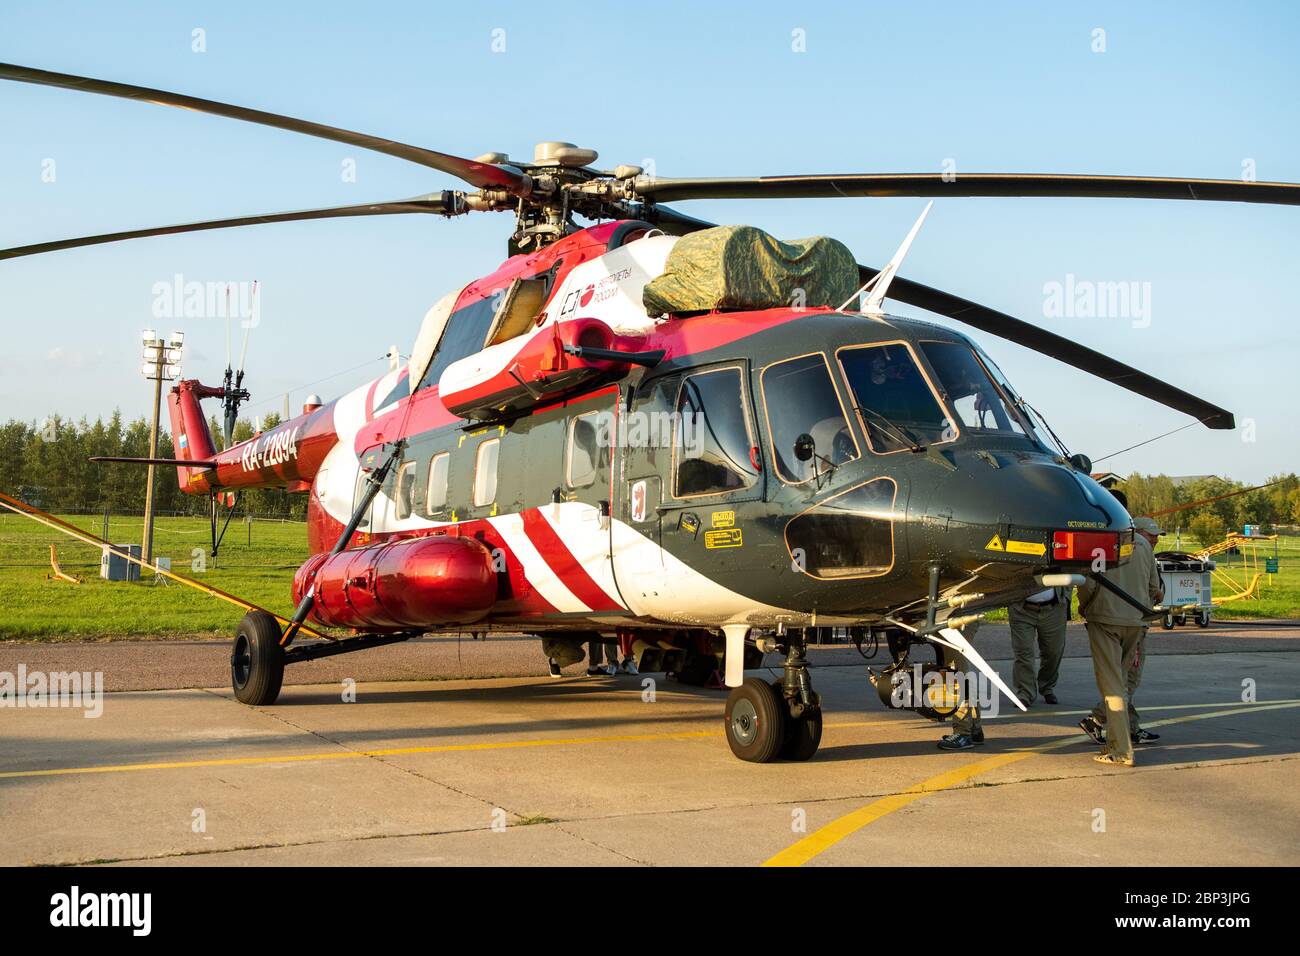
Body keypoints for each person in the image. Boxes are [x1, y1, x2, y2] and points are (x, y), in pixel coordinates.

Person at [1076, 517, 1163, 766]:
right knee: (1122, 682)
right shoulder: (1144, 546)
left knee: (1112, 686)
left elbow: (1087, 582)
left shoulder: (1099, 541)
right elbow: (1153, 587)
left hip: (1104, 619)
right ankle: (1116, 735)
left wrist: (1087, 607)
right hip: (1135, 622)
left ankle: (1120, 750)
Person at [1008, 584, 1070, 707]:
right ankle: (1025, 693)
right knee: (1023, 651)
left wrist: (1066, 596)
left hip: (1054, 608)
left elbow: (1071, 569)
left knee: (1054, 651)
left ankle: (1047, 687)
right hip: (1021, 608)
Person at [938, 621, 984, 751]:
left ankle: (963, 733)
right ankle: (974, 728)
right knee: (959, 670)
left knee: (956, 673)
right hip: (946, 617)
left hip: (957, 618)